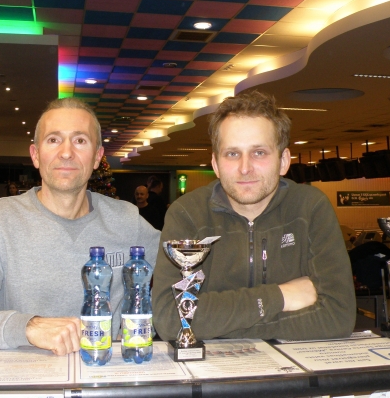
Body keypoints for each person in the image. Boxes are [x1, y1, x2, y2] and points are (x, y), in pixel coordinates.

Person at [0, 98, 160, 352]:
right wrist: (28, 327)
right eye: (54, 140)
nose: (66, 152)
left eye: (80, 140)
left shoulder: (127, 221)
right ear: (35, 155)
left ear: (97, 157)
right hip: (22, 375)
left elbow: (181, 269)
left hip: (101, 372)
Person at [151, 90, 356, 342]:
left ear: (283, 161)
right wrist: (280, 297)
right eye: (232, 153)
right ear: (215, 164)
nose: (245, 168)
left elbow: (339, 316)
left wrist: (217, 323)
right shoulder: (187, 213)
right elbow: (170, 319)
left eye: (259, 152)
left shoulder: (310, 207)